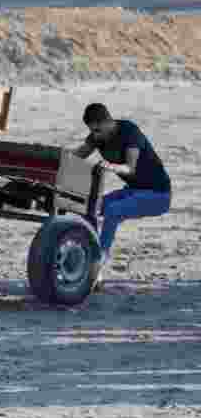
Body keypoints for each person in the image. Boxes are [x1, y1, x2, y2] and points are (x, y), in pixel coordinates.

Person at [72, 103, 172, 283]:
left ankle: (97, 263)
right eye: (91, 131)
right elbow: (77, 156)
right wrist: (55, 157)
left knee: (113, 211)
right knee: (90, 207)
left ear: (107, 121)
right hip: (133, 191)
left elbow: (130, 169)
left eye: (97, 130)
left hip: (158, 195)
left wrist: (110, 166)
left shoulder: (129, 131)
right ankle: (89, 255)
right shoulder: (97, 137)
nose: (95, 135)